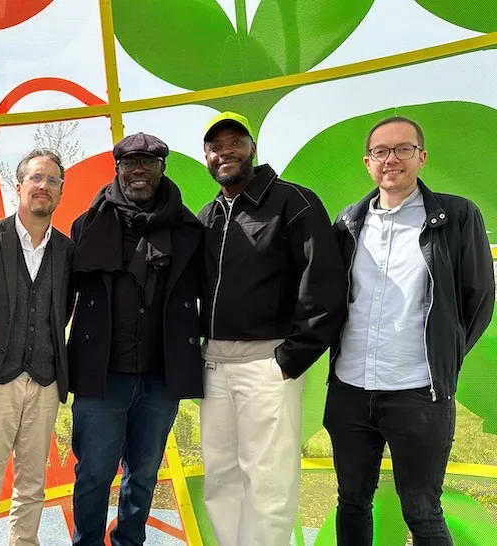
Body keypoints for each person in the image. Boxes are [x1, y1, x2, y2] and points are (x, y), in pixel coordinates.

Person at [325, 116, 495, 546]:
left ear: (421, 157)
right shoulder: (348, 222)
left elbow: (478, 299)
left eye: (403, 149)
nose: (391, 159)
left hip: (419, 392)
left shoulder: (456, 216)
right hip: (350, 389)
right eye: (381, 151)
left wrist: (445, 355)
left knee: (421, 511)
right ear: (368, 162)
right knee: (352, 502)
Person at [198, 111, 347, 546]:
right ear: (206, 156)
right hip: (214, 364)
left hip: (268, 362)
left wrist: (289, 360)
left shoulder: (293, 201)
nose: (224, 151)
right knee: (221, 477)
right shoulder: (209, 214)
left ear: (252, 148)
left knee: (268, 481)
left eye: (234, 142)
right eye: (215, 146)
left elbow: (323, 284)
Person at [67, 133, 204, 545]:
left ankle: (130, 541)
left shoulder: (187, 229)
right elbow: (64, 297)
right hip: (101, 374)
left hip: (161, 376)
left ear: (162, 168)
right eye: (129, 163)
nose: (138, 170)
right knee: (93, 473)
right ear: (118, 170)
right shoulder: (87, 225)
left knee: (143, 474)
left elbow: (209, 292)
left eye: (147, 162)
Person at [0, 149, 75, 546]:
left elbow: (62, 310)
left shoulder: (67, 251)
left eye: (52, 181)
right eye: (36, 178)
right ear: (20, 186)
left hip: (45, 382)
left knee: (32, 487)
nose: (44, 186)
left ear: (61, 192)